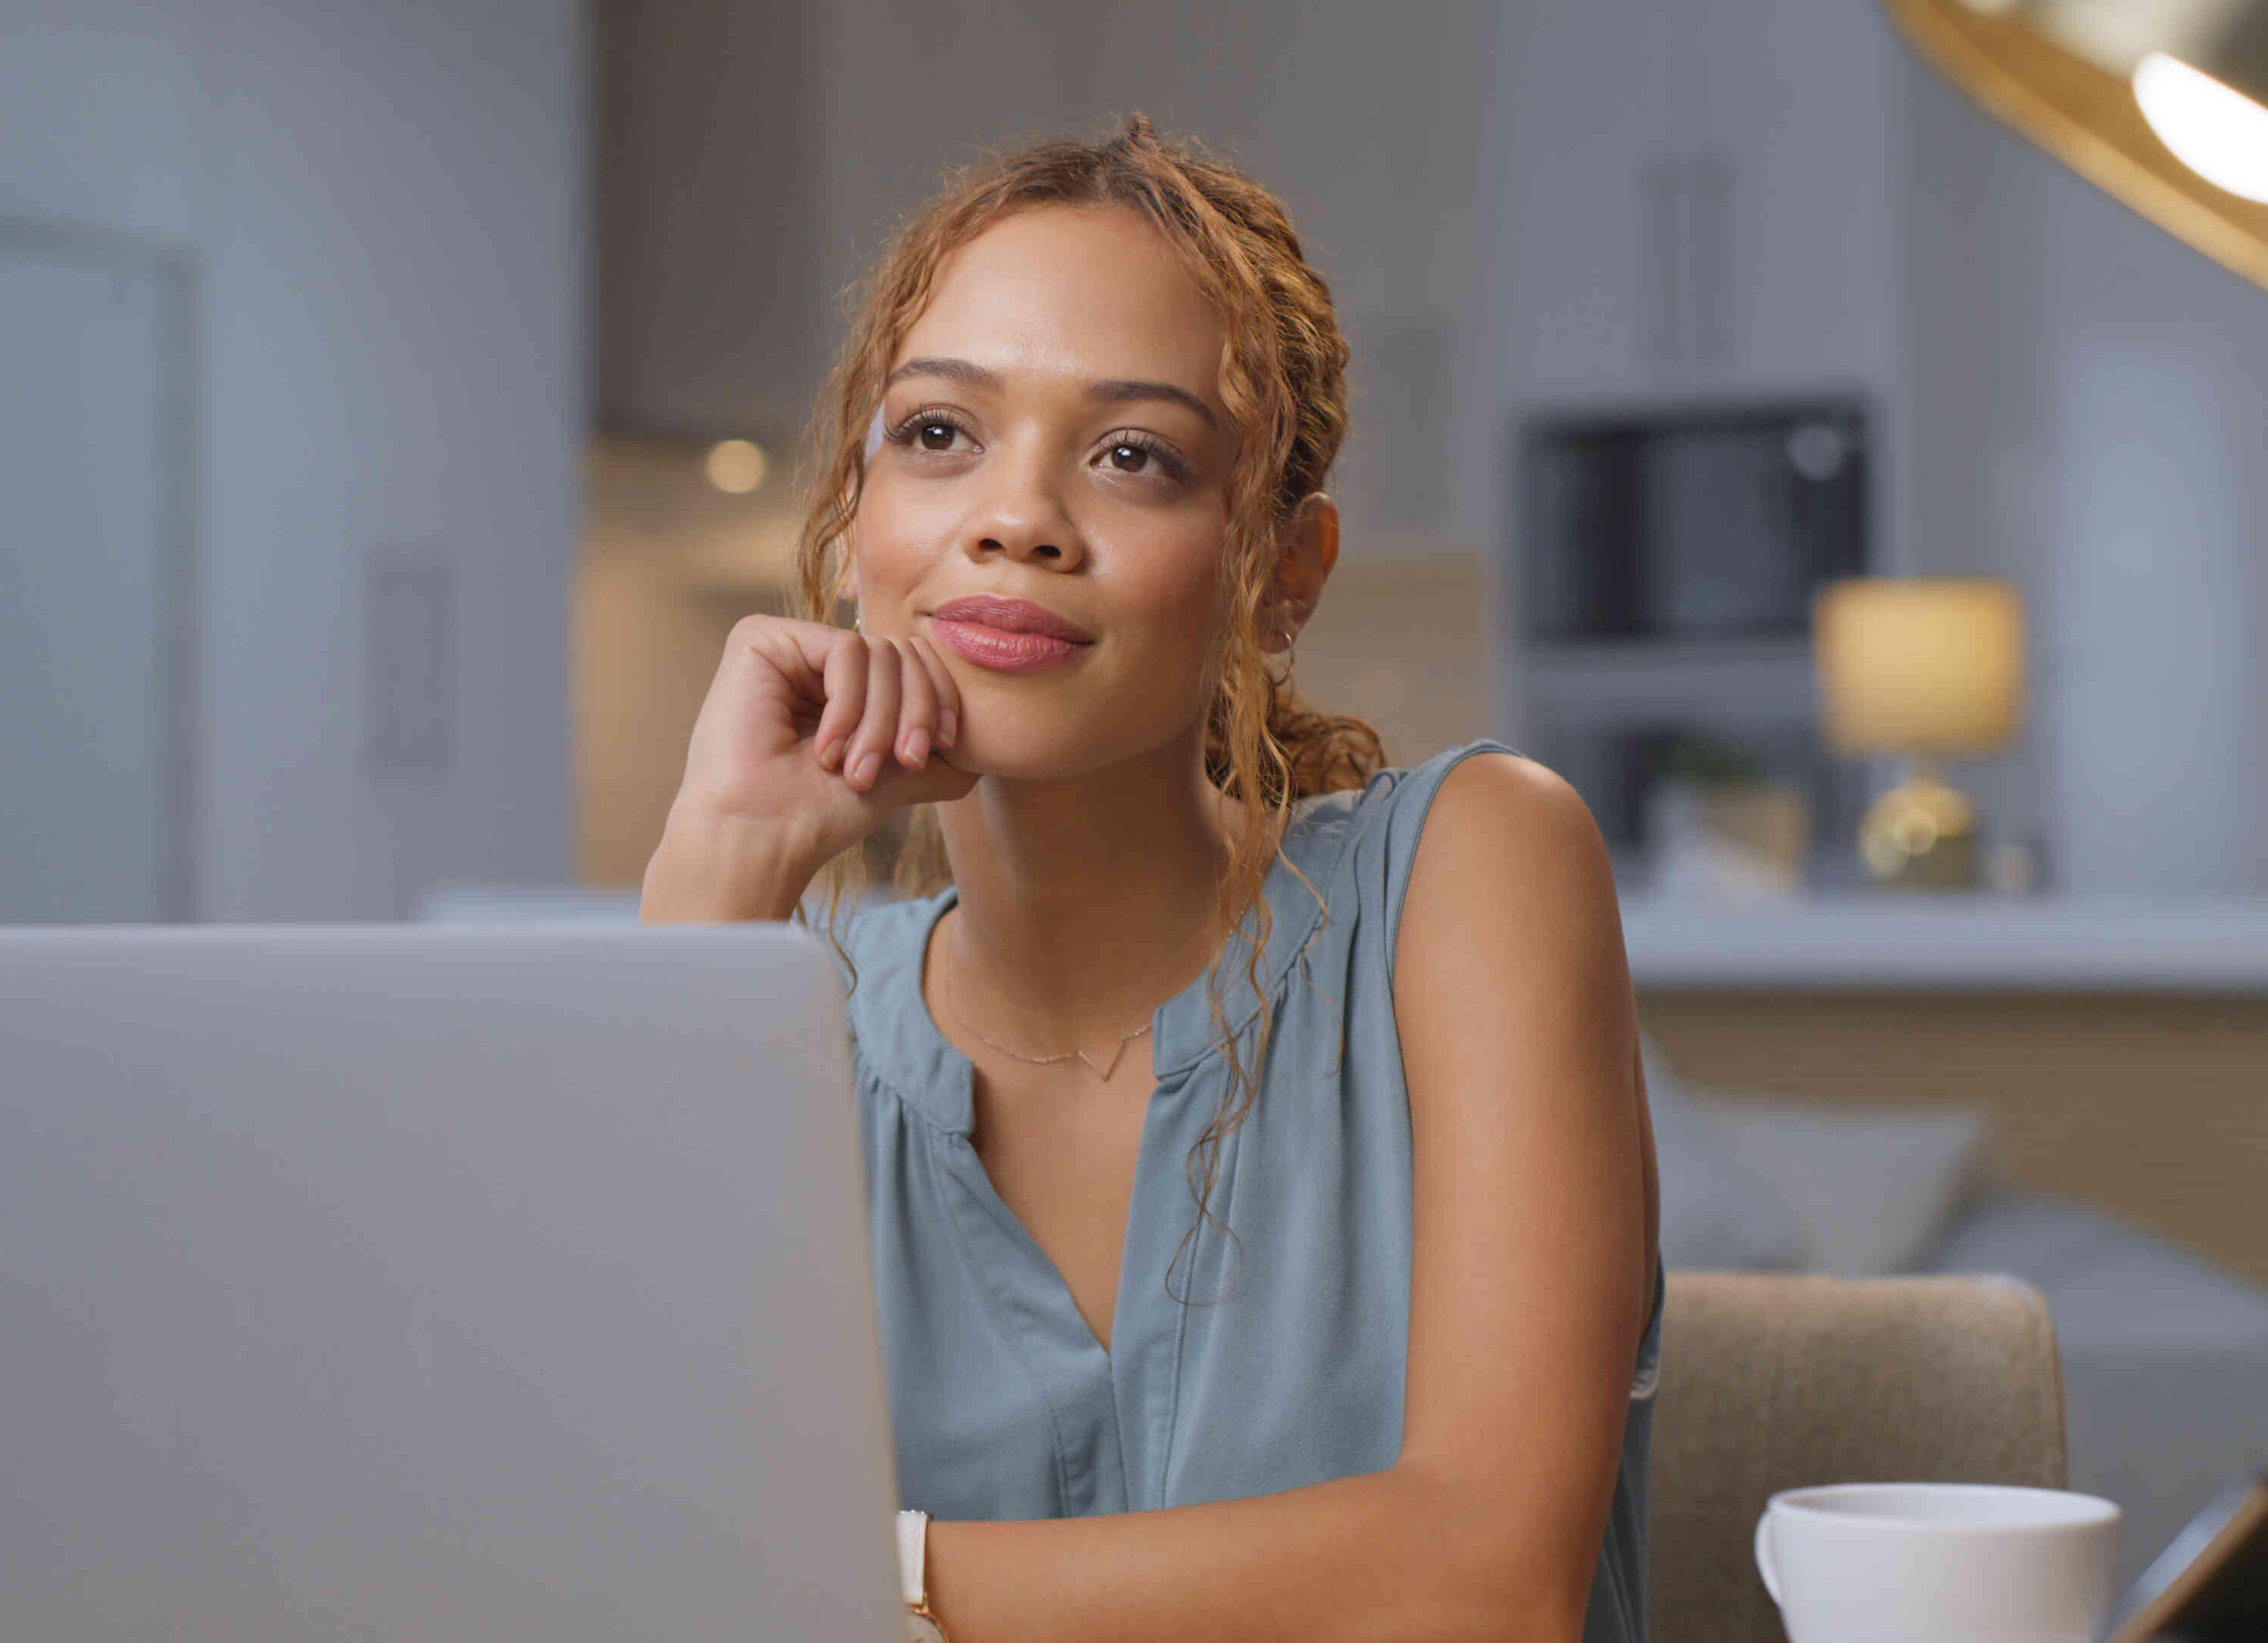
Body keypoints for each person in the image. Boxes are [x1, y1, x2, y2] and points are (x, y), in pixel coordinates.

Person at [640, 116, 1662, 1642]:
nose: (1014, 518)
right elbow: (596, 1538)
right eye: (936, 434)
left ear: (1279, 572)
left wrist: (864, 1574)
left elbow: (1483, 1581)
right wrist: (707, 874)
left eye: (1133, 456)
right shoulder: (787, 1012)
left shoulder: (1473, 868)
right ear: (859, 528)